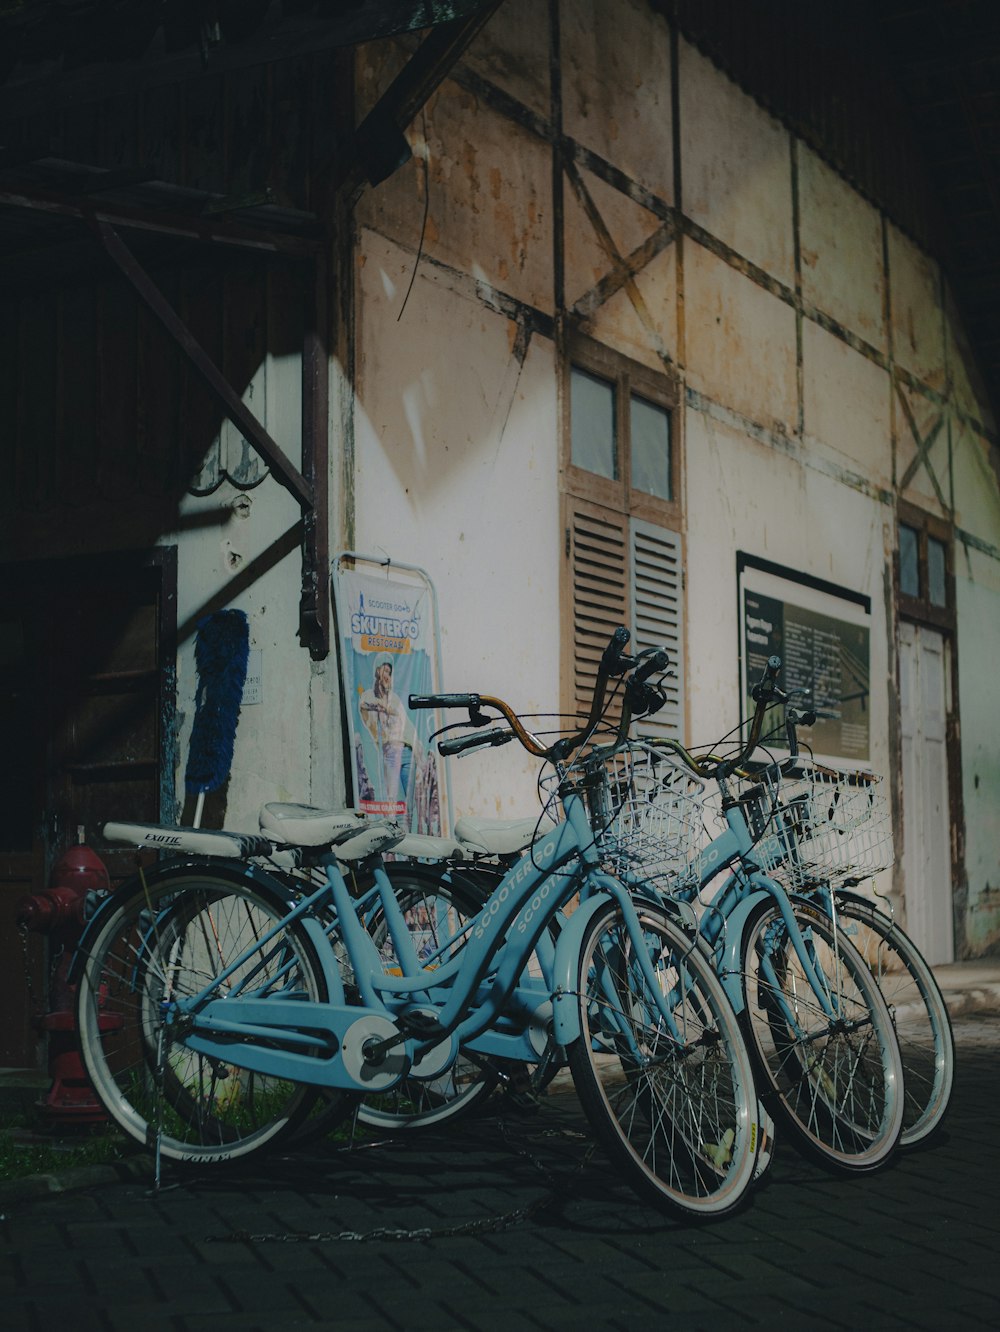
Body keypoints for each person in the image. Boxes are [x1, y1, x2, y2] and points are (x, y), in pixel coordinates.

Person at [358, 653, 417, 805]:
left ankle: (407, 829)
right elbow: (364, 706)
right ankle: (395, 828)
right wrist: (382, 707)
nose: (388, 677)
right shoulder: (368, 695)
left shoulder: (395, 698)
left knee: (410, 803)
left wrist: (418, 751)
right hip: (390, 751)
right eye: (385, 671)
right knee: (393, 802)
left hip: (407, 751)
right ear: (377, 671)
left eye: (390, 674)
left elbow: (407, 725)